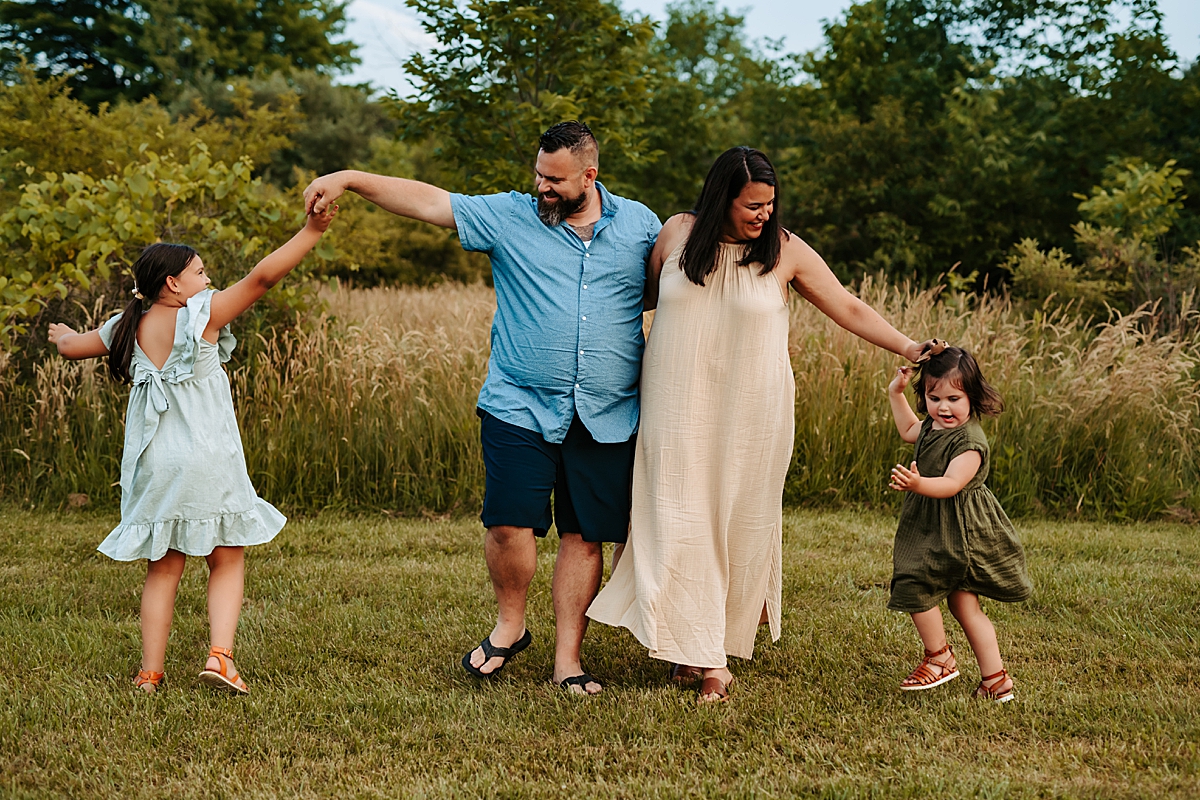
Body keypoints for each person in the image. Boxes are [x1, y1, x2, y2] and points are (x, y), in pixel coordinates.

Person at [302, 121, 661, 695]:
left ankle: (568, 659)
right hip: (518, 403)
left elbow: (672, 285)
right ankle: (510, 625)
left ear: (590, 176)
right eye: (538, 174)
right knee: (508, 524)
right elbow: (427, 201)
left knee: (585, 535)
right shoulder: (510, 215)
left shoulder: (642, 225)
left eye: (555, 179)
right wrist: (350, 178)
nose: (541, 185)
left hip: (607, 409)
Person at [587, 146, 930, 703]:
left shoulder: (785, 250)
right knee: (677, 517)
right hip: (675, 407)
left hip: (753, 413)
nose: (764, 214)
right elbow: (636, 301)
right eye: (753, 205)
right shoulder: (676, 235)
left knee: (737, 525)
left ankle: (710, 652)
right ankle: (693, 651)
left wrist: (909, 346)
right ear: (722, 196)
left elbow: (847, 305)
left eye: (770, 204)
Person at [46, 206, 339, 694]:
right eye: (200, 272)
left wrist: (61, 337)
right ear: (173, 285)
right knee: (226, 555)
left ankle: (149, 674)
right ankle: (220, 658)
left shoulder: (124, 326)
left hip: (157, 466)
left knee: (163, 568)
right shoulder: (202, 316)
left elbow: (74, 347)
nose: (209, 279)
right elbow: (263, 277)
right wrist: (312, 230)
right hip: (207, 458)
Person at [885, 346, 1032, 703]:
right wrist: (896, 393)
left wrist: (917, 484)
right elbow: (908, 430)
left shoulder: (970, 442)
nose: (943, 407)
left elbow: (951, 485)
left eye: (954, 397)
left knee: (913, 580)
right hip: (936, 525)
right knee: (964, 606)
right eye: (934, 398)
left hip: (960, 530)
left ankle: (940, 658)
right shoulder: (933, 426)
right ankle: (995, 681)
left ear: (973, 396)